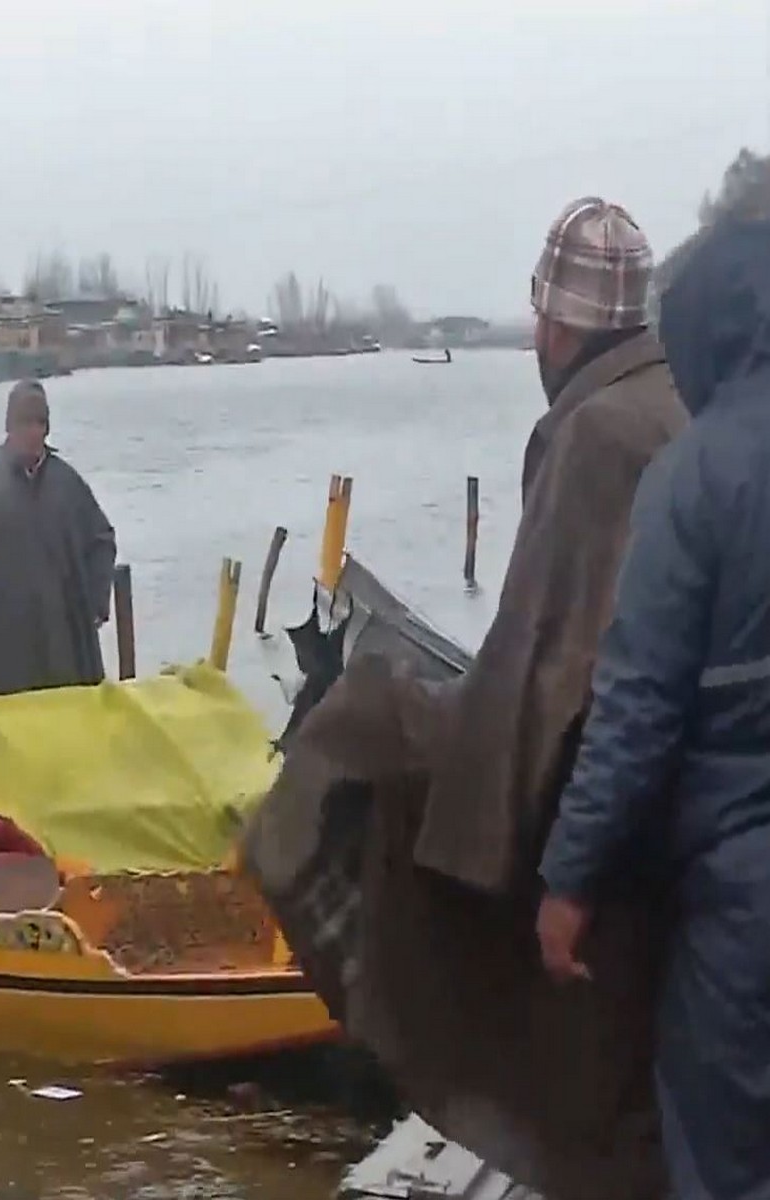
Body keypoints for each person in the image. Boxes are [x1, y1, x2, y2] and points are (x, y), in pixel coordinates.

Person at [241, 197, 689, 1200]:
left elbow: (548, 675)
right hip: (686, 808)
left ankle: (421, 1045)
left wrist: (515, 846)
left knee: (353, 740)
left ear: (553, 326)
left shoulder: (595, 434)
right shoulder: (682, 398)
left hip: (623, 833)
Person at [538, 219, 770, 1200]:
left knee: (723, 1159)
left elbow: (634, 707)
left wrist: (569, 879)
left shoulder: (700, 474)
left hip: (740, 887)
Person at [0, 379, 117, 697]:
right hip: (2, 639)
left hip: (62, 635)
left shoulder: (67, 483)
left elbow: (101, 539)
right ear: (10, 427)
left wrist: (96, 603)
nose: (33, 431)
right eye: (25, 422)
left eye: (40, 423)